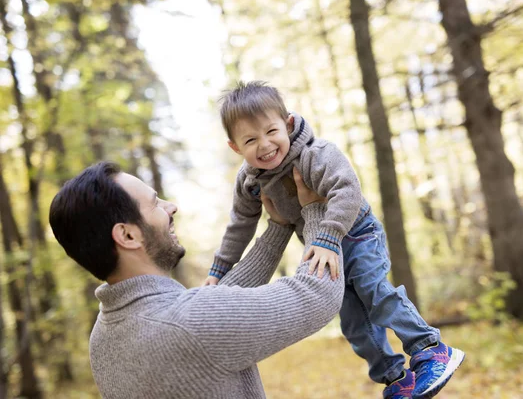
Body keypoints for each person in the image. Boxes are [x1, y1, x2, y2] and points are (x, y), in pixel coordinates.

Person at [205, 81, 465, 399]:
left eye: (271, 131)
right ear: (235, 147)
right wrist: (220, 269)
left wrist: (329, 236)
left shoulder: (315, 154)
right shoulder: (249, 183)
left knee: (373, 290)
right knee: (354, 323)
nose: (265, 145)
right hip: (325, 250)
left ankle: (430, 348)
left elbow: (347, 189)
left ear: (287, 124)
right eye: (250, 139)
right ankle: (397, 379)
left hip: (357, 234)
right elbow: (240, 224)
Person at [48, 161, 344, 399]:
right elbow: (318, 296)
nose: (171, 206)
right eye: (154, 204)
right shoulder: (186, 324)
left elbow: (213, 308)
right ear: (127, 235)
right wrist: (316, 208)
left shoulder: (104, 336)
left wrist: (278, 228)